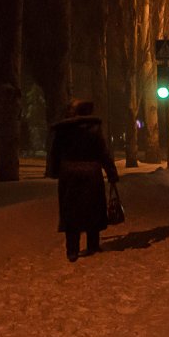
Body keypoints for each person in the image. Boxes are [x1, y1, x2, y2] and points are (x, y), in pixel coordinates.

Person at [47, 100, 119, 262]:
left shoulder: (63, 130)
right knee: (93, 207)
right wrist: (111, 173)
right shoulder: (94, 129)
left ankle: (72, 249)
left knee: (70, 210)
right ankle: (93, 244)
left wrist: (54, 172)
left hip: (69, 173)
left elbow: (55, 153)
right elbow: (103, 152)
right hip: (91, 172)